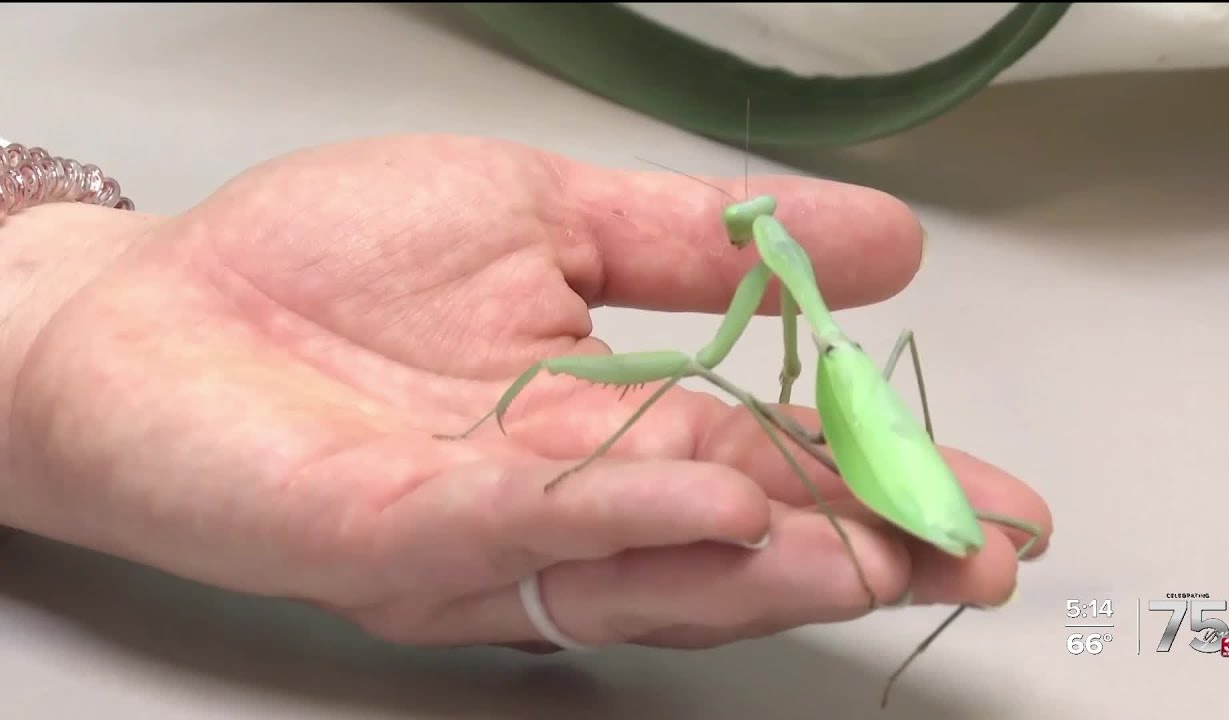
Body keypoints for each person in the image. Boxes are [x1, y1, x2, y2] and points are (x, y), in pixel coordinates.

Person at [0, 134, 1051, 652]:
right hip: (835, 365)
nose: (739, 234)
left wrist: (53, 289)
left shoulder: (791, 316)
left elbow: (720, 362)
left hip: (841, 379)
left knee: (778, 424)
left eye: (746, 229)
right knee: (786, 416)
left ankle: (906, 541)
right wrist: (45, 311)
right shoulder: (794, 314)